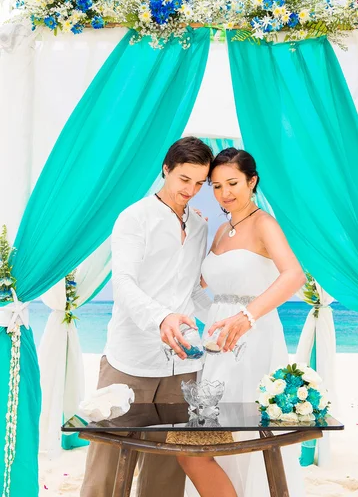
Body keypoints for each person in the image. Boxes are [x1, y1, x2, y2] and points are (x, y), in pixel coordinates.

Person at [167, 147, 306, 497]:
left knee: (236, 439)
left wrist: (247, 316)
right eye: (215, 186)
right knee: (205, 445)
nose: (224, 193)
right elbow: (202, 295)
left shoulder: (264, 224)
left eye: (232, 183)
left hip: (253, 342)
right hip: (217, 350)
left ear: (252, 181)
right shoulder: (220, 230)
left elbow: (293, 276)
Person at [80, 136, 214, 497]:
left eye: (200, 183)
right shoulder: (134, 218)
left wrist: (223, 320)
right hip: (130, 359)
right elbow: (123, 284)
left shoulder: (200, 227)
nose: (191, 190)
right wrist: (162, 318)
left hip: (182, 363)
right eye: (184, 179)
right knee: (106, 468)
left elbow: (193, 290)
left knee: (168, 469)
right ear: (166, 170)